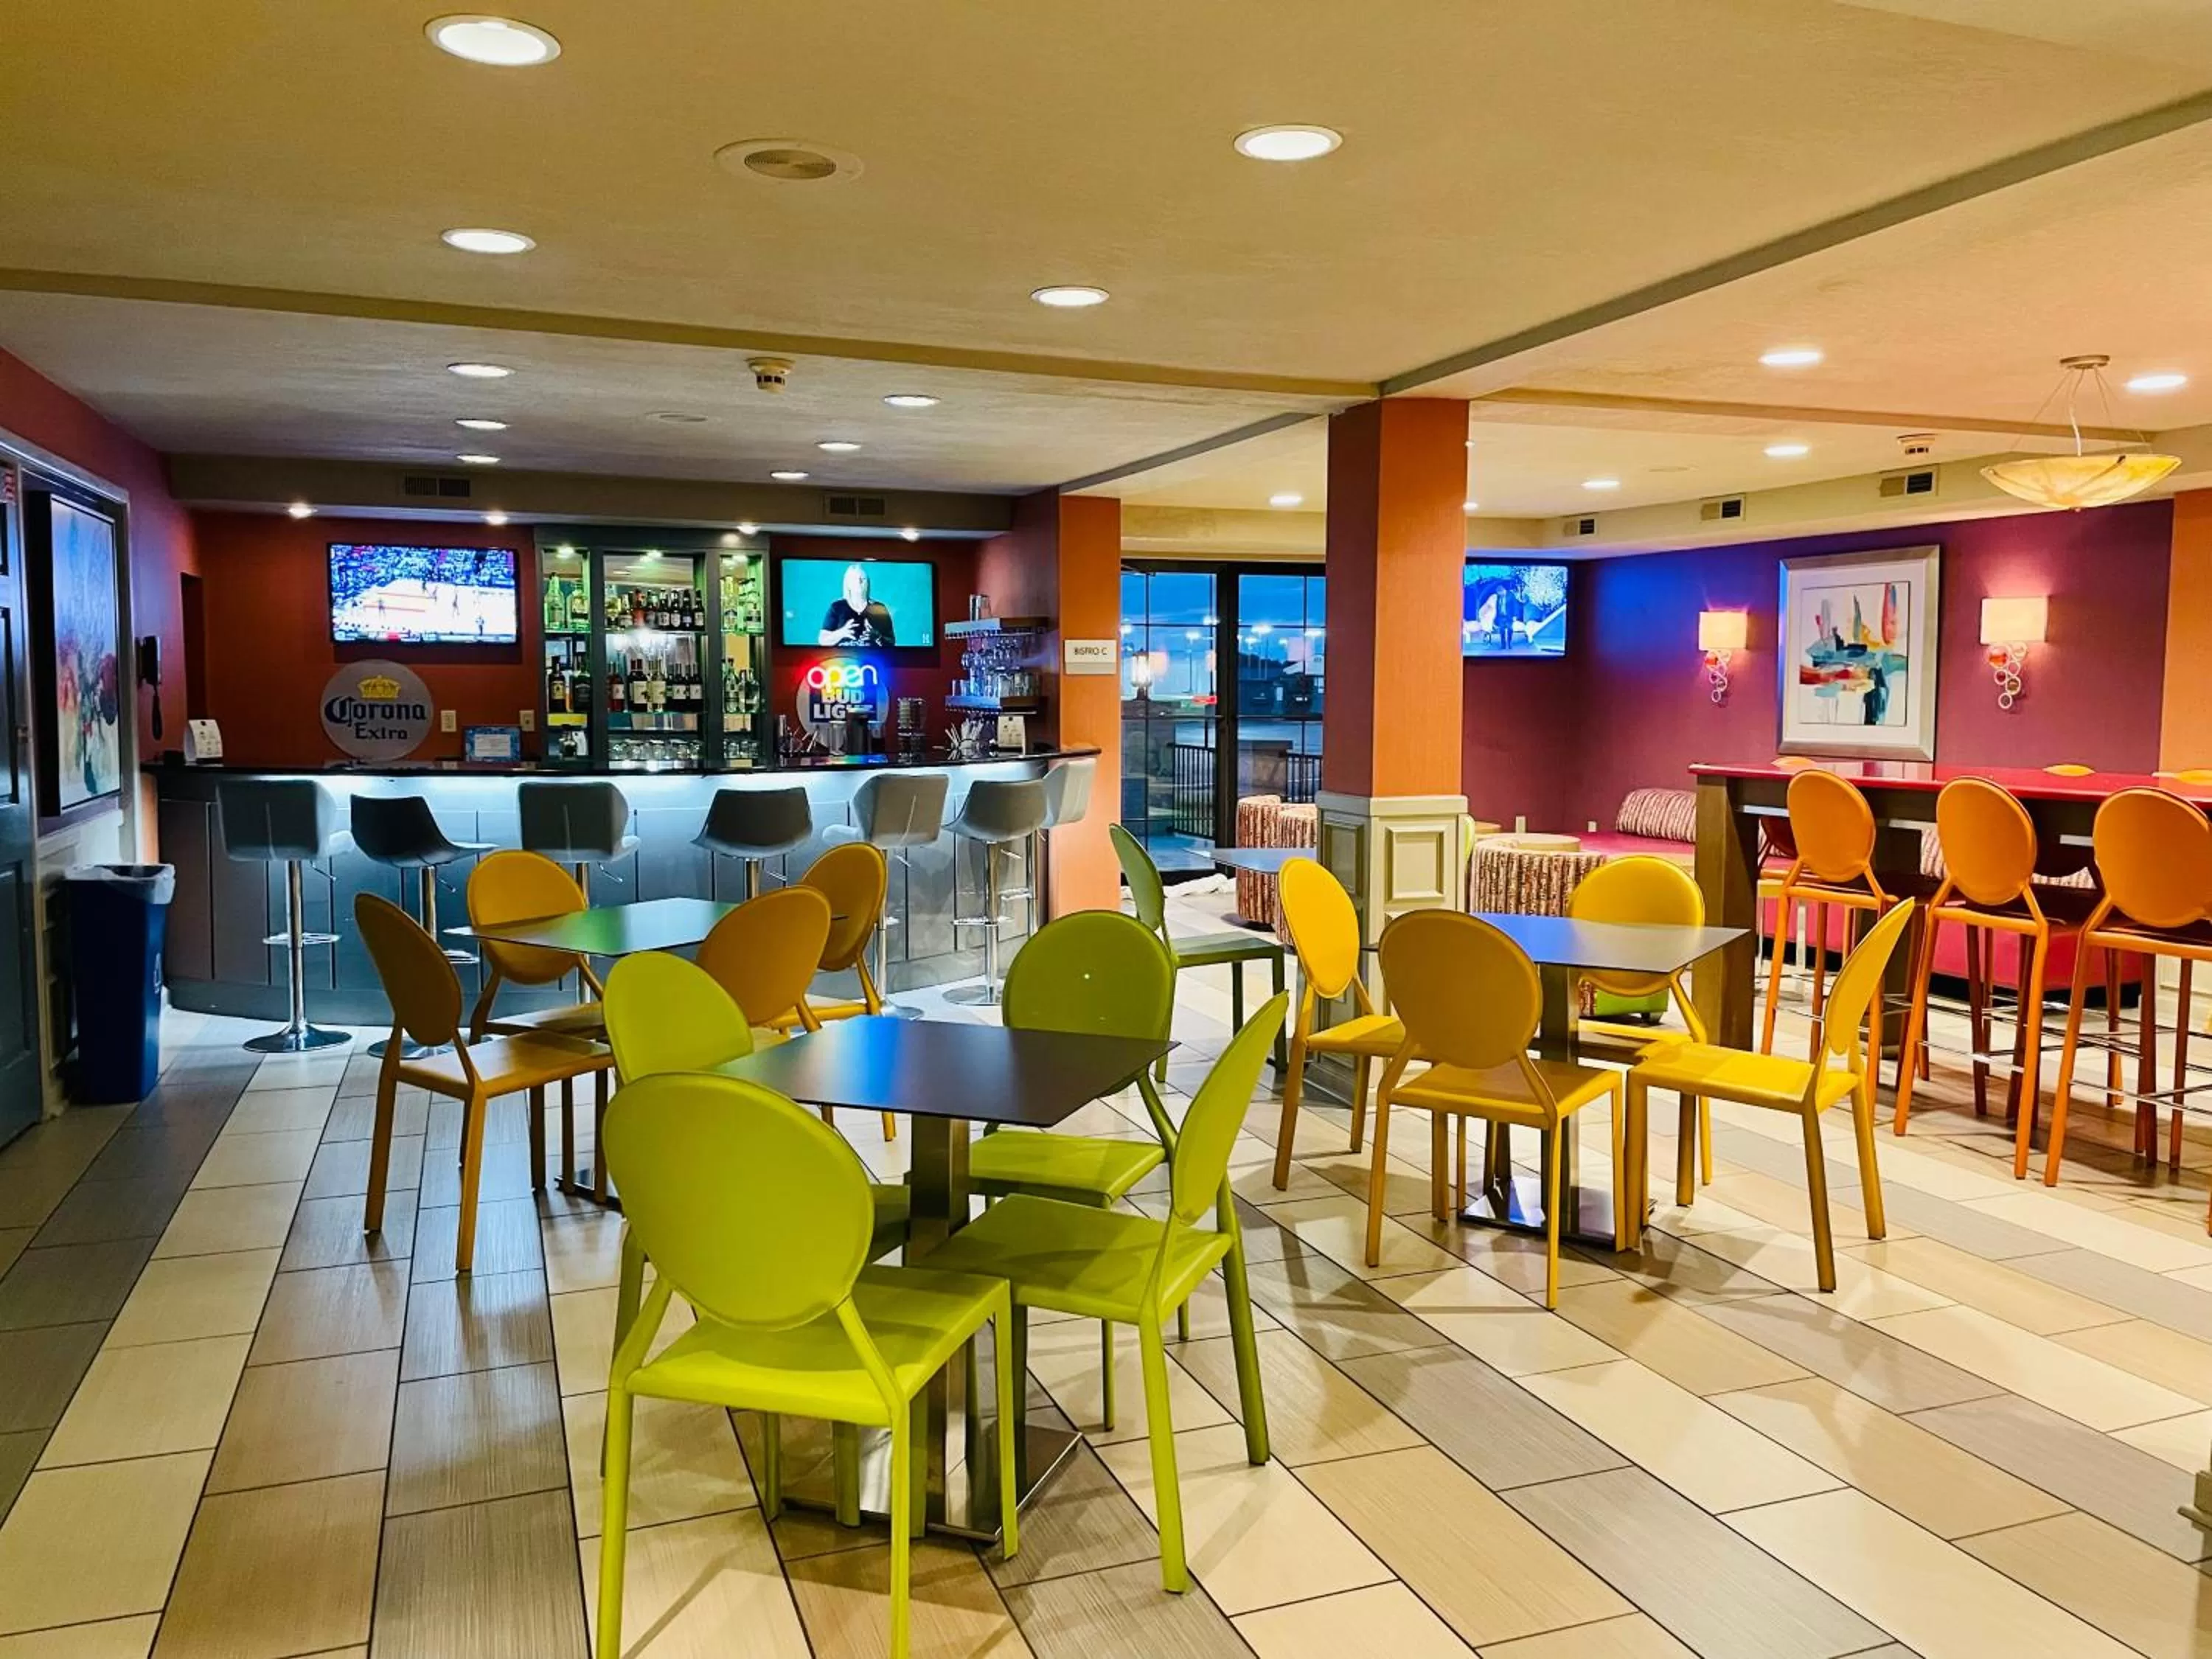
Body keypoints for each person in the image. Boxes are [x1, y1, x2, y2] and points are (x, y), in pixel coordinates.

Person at [816, 563, 897, 647]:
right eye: (854, 579)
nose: (859, 582)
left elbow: (891, 642)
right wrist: (841, 633)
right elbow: (823, 640)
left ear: (868, 583)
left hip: (874, 658)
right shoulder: (837, 607)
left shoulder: (879, 608)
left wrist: (877, 637)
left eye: (863, 579)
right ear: (848, 584)